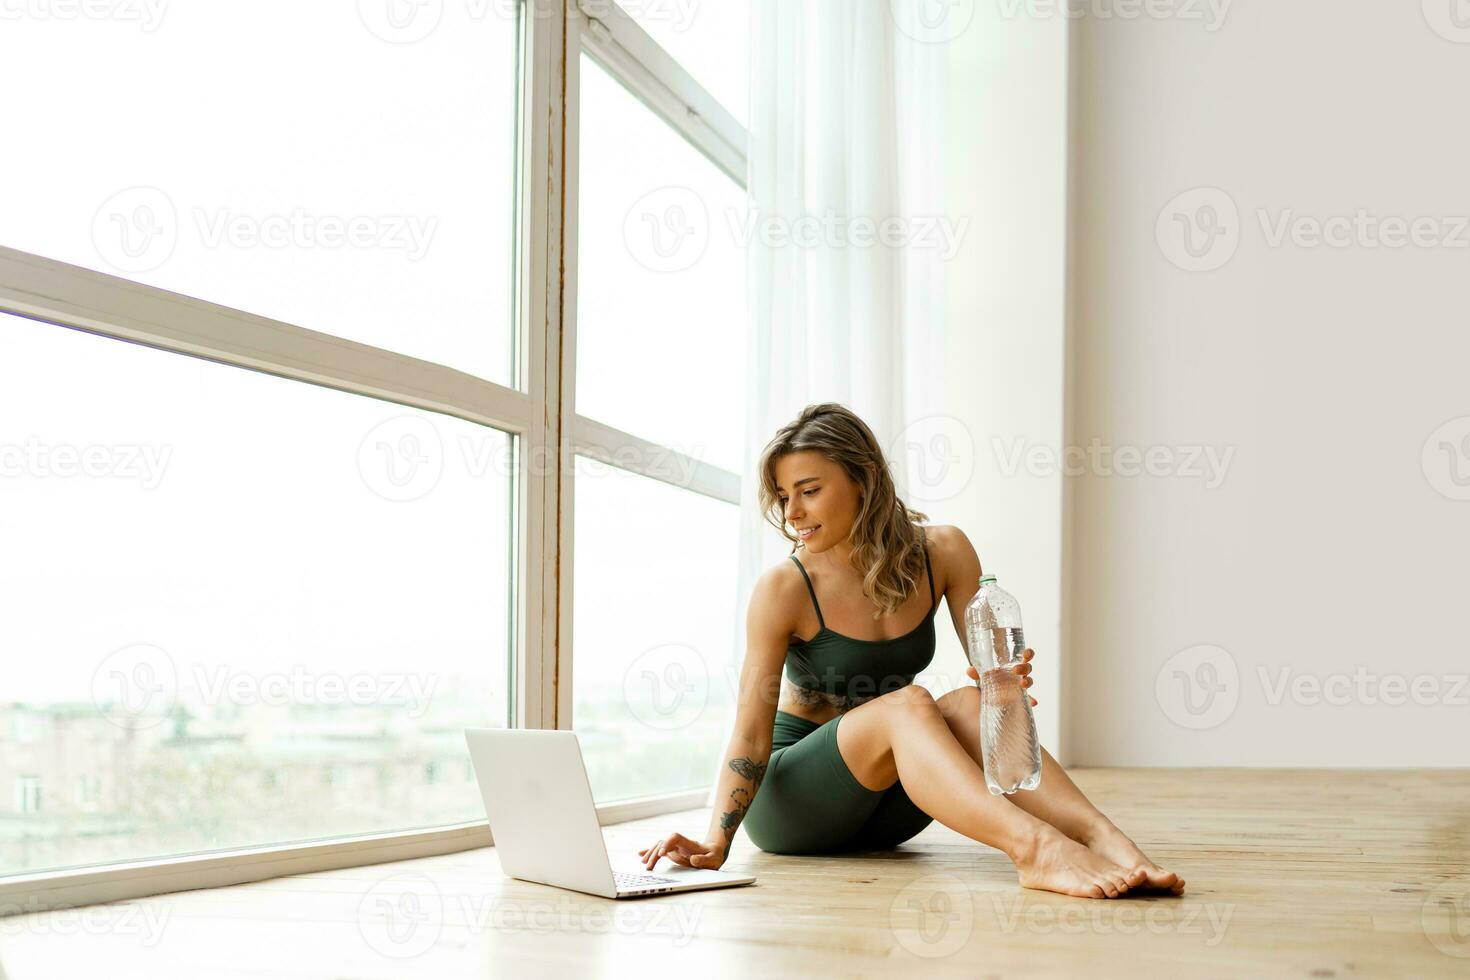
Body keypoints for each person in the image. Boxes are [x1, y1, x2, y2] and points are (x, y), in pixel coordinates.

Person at [637, 403, 1183, 899]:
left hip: (891, 810)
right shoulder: (784, 588)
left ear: (863, 479)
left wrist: (1006, 684)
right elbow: (752, 731)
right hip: (798, 803)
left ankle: (1102, 837)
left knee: (969, 702)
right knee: (907, 702)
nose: (793, 514)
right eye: (784, 497)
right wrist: (716, 840)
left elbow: (992, 681)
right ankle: (1036, 849)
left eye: (808, 490)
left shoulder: (943, 551)